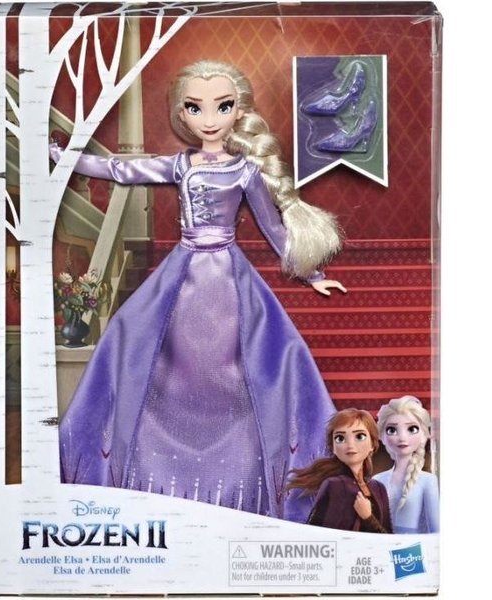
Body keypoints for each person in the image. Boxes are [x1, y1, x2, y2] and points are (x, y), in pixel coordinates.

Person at [52, 60, 346, 522]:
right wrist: (63, 156)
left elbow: (274, 229)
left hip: (227, 278)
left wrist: (312, 275)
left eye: (222, 106)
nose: (209, 119)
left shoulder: (245, 171)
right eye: (195, 107)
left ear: (238, 111)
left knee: (243, 375)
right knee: (142, 353)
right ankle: (148, 478)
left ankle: (240, 487)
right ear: (182, 113)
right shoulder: (179, 164)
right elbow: (122, 169)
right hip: (182, 273)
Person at [287, 409, 392, 533]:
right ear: (333, 448)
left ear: (372, 445)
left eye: (359, 436)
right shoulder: (335, 486)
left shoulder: (378, 488)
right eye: (340, 438)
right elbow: (321, 535)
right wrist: (368, 518)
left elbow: (389, 537)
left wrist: (368, 518)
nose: (350, 445)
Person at [373, 396, 439, 533]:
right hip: (381, 542)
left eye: (412, 429)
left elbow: (436, 530)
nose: (402, 438)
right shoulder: (377, 480)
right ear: (382, 437)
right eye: (392, 430)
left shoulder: (428, 480)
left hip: (414, 545)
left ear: (423, 435)